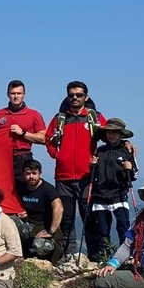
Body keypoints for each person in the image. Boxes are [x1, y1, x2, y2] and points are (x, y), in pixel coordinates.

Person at [45, 81, 107, 260]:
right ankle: (68, 255)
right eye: (71, 95)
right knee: (66, 219)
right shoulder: (60, 118)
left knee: (89, 217)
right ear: (67, 96)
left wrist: (126, 143)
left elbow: (111, 136)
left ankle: (95, 256)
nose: (75, 98)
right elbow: (48, 138)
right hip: (63, 177)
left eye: (79, 95)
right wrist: (56, 154)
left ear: (86, 97)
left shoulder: (94, 117)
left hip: (87, 176)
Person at [88, 118, 138, 260]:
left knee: (123, 228)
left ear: (121, 134)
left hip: (119, 197)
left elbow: (135, 174)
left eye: (115, 132)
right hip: (100, 197)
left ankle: (125, 257)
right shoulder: (100, 151)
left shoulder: (126, 151)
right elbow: (93, 173)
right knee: (103, 231)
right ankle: (105, 257)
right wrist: (92, 165)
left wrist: (131, 168)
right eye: (109, 132)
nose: (112, 135)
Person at [0, 80, 46, 201]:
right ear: (8, 94)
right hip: (4, 159)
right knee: (3, 193)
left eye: (19, 93)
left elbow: (44, 138)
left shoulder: (33, 114)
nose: (16, 96)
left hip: (23, 157)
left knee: (24, 192)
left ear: (24, 94)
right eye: (13, 93)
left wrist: (23, 133)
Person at [17, 159, 64, 263]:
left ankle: (50, 259)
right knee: (10, 221)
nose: (31, 177)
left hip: (44, 227)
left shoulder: (48, 189)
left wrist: (51, 231)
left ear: (40, 173)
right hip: (28, 225)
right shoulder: (21, 188)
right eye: (28, 174)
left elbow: (59, 208)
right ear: (23, 174)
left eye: (34, 173)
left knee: (39, 246)